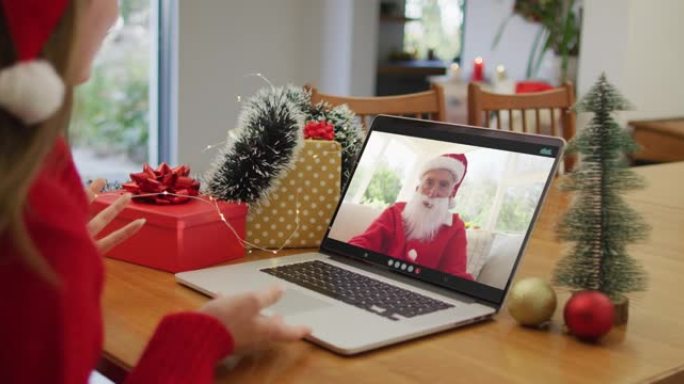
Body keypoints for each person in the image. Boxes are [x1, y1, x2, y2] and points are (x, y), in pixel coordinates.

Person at [0, 1, 309, 383]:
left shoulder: (35, 189)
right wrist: (203, 335)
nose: (116, 15)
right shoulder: (39, 231)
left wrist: (63, 279)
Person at [349, 153, 473, 280]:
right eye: (429, 182)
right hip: (378, 278)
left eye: (443, 185)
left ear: (451, 193)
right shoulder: (395, 211)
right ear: (418, 187)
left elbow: (455, 274)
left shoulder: (456, 227)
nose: (433, 192)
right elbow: (365, 243)